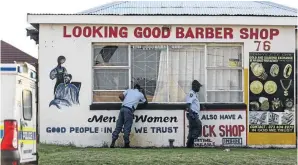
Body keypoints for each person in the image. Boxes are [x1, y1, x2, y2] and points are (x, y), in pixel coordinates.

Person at [110, 84, 148, 148]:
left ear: (134, 88)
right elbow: (145, 102)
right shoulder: (140, 94)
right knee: (127, 127)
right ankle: (126, 144)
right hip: (129, 110)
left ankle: (113, 141)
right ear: (139, 89)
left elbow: (120, 96)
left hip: (122, 108)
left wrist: (124, 101)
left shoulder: (129, 90)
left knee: (118, 126)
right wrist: (143, 93)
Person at [185, 80, 203, 148]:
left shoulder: (195, 94)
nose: (199, 88)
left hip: (194, 113)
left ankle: (189, 145)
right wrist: (191, 114)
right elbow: (188, 104)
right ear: (195, 86)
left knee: (192, 129)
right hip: (192, 114)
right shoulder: (191, 94)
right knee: (198, 126)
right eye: (198, 86)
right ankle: (190, 141)